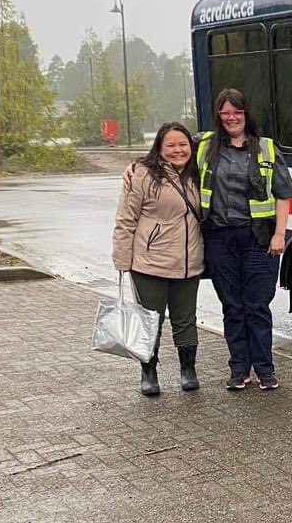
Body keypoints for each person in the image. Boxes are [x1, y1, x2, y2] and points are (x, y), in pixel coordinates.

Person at [194, 87, 292, 390]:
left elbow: (284, 195)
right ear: (218, 116)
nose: (231, 117)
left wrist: (280, 234)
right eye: (225, 113)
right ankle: (239, 369)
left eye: (236, 112)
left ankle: (265, 369)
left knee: (257, 307)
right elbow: (168, 153)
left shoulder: (266, 148)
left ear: (246, 114)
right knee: (232, 307)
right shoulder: (203, 146)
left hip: (259, 240)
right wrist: (135, 169)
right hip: (220, 239)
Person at [112, 122, 204, 397]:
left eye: (183, 144)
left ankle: (188, 370)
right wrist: (122, 260)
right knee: (150, 320)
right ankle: (148, 372)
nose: (178, 150)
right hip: (149, 264)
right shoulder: (141, 174)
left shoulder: (198, 173)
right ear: (160, 148)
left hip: (189, 264)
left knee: (186, 319)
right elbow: (125, 220)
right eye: (171, 145)